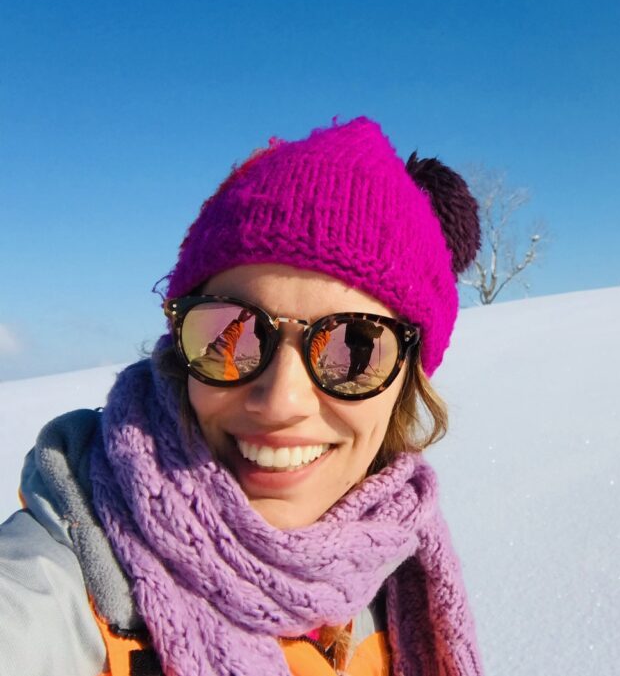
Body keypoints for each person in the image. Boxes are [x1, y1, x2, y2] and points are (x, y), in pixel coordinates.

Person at [0, 118, 484, 676]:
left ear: (406, 381)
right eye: (229, 332)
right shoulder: (64, 575)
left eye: (354, 347)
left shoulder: (401, 576)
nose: (280, 401)